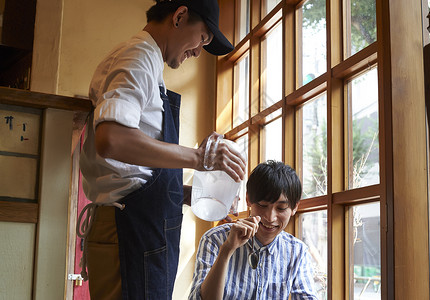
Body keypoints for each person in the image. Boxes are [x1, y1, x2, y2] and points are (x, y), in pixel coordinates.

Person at [77, 0, 246, 299]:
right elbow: (111, 139)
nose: (198, 51)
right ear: (180, 16)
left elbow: (135, 172)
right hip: (129, 229)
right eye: (203, 39)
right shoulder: (138, 57)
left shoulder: (149, 63)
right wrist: (199, 158)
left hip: (139, 225)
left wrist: (192, 195)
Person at [189, 160, 319, 300]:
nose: (270, 217)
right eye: (263, 205)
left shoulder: (297, 252)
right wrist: (226, 251)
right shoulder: (215, 239)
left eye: (281, 208)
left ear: (294, 208)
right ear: (248, 200)